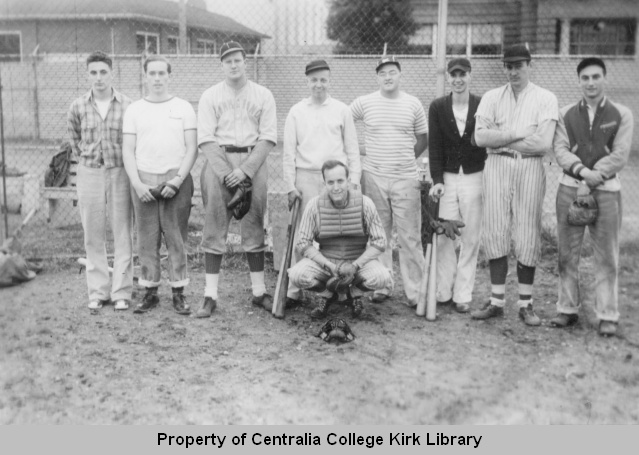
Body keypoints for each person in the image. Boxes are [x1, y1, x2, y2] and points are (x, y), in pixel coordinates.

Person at [471, 44, 558, 326]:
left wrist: (503, 137)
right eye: (509, 66)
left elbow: (543, 143)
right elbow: (481, 137)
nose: (513, 71)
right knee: (495, 229)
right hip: (496, 165)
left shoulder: (546, 97)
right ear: (504, 68)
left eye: (519, 65)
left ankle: (526, 303)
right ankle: (496, 302)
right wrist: (519, 133)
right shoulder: (492, 97)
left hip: (530, 166)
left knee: (527, 233)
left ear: (529, 65)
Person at [551, 57, 634, 337]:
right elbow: (561, 150)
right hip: (570, 188)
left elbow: (620, 155)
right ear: (579, 81)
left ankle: (607, 314)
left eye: (596, 77)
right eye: (585, 78)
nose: (590, 83)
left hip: (607, 191)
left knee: (606, 256)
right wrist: (583, 172)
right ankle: (567, 309)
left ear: (604, 78)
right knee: (567, 253)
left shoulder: (621, 114)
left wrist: (594, 176)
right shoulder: (565, 114)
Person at [196, 42, 277, 318]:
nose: (233, 65)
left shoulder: (263, 94)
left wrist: (246, 170)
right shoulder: (210, 95)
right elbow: (205, 139)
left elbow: (268, 138)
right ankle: (210, 296)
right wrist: (226, 173)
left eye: (238, 60)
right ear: (222, 64)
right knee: (215, 225)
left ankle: (258, 292)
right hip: (220, 161)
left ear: (246, 62)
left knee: (254, 224)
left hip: (253, 162)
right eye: (228, 60)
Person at [283, 59, 361, 308]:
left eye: (323, 79)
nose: (319, 84)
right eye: (314, 80)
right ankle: (294, 290)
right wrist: (290, 185)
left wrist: (354, 181)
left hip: (335, 180)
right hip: (305, 176)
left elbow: (352, 149)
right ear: (308, 81)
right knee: (302, 235)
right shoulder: (296, 111)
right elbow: (288, 152)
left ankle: (342, 289)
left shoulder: (341, 109)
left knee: (337, 233)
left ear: (329, 80)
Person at [122, 55, 197, 315]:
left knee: (176, 238)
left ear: (169, 76)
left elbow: (191, 149)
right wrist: (137, 183)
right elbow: (128, 151)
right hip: (144, 180)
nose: (156, 78)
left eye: (161, 73)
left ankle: (179, 292)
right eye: (151, 73)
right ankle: (150, 292)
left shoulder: (184, 107)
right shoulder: (134, 109)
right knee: (146, 239)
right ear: (145, 76)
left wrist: (177, 180)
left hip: (175, 180)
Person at [350, 56, 428, 307]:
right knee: (378, 235)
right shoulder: (365, 102)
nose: (388, 77)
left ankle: (416, 292)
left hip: (406, 178)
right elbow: (344, 122)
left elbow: (422, 138)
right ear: (377, 77)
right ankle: (382, 285)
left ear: (399, 75)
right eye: (383, 73)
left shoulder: (412, 104)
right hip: (374, 175)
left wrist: (404, 159)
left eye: (392, 72)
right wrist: (362, 150)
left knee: (409, 237)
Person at [67, 51, 133, 311]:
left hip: (120, 172)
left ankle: (121, 292)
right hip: (90, 172)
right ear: (87, 75)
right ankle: (97, 291)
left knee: (122, 232)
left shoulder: (128, 105)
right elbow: (75, 141)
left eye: (103, 72)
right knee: (92, 233)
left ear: (112, 73)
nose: (98, 77)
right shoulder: (78, 106)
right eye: (93, 72)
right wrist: (88, 162)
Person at [288, 160, 392, 318]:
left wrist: (356, 265)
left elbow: (380, 242)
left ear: (348, 181)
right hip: (327, 261)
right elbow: (303, 243)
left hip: (356, 260)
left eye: (340, 181)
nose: (336, 187)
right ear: (324, 183)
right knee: (296, 275)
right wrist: (328, 265)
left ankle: (353, 295)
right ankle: (327, 294)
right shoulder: (314, 205)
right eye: (330, 182)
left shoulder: (365, 203)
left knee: (382, 277)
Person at [428, 58, 486, 314]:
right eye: (454, 75)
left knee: (471, 236)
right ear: (448, 78)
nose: (458, 79)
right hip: (449, 179)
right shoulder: (438, 107)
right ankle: (444, 290)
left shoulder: (483, 104)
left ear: (470, 76)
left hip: (475, 176)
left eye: (463, 74)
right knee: (445, 235)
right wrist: (437, 180)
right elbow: (435, 147)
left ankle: (463, 294)